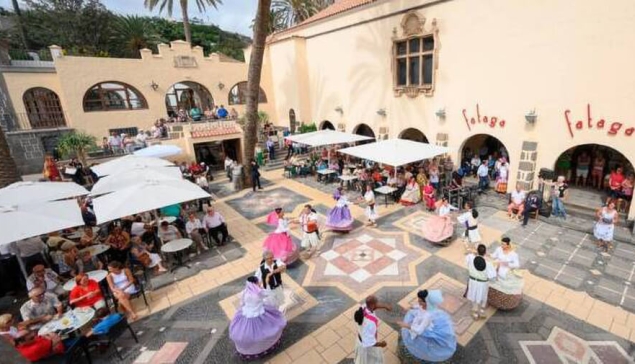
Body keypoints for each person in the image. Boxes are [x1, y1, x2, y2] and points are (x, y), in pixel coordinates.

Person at [229, 276, 287, 359]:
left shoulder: (245, 292)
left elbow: (242, 303)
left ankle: (250, 350)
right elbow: (266, 294)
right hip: (259, 313)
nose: (259, 283)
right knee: (269, 328)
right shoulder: (258, 294)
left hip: (246, 313)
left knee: (245, 332)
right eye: (258, 282)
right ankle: (266, 346)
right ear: (255, 283)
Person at [397, 290, 457, 362]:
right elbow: (418, 306)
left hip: (423, 327)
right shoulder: (430, 306)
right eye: (418, 300)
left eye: (420, 301)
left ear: (426, 302)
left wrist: (406, 325)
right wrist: (411, 307)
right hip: (424, 320)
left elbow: (419, 331)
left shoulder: (427, 316)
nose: (419, 303)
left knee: (420, 340)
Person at [0, 313, 64, 362]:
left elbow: (24, 325)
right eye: (9, 321)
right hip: (53, 354)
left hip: (34, 348)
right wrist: (50, 336)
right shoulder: (6, 336)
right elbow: (57, 340)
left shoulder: (11, 329)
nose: (13, 321)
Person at [353, 295, 391, 364]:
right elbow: (370, 343)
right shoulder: (370, 324)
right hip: (366, 347)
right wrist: (382, 344)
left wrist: (385, 306)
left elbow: (374, 307)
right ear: (372, 304)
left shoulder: (363, 307)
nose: (378, 304)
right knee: (369, 360)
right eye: (376, 303)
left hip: (362, 339)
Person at [465, 244, 497, 319]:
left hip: (473, 281)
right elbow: (492, 277)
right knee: (482, 296)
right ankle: (482, 311)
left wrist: (472, 252)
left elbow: (468, 256)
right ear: (485, 252)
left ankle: (474, 312)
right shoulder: (488, 264)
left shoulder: (470, 258)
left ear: (477, 251)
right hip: (483, 283)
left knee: (474, 295)